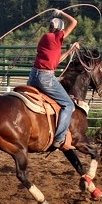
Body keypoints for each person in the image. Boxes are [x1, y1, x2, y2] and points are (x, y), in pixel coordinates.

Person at [27, 9, 78, 150]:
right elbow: (74, 22)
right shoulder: (55, 38)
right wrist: (61, 13)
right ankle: (60, 138)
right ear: (59, 30)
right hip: (46, 78)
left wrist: (69, 51)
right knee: (68, 105)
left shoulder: (46, 39)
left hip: (33, 76)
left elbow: (55, 62)